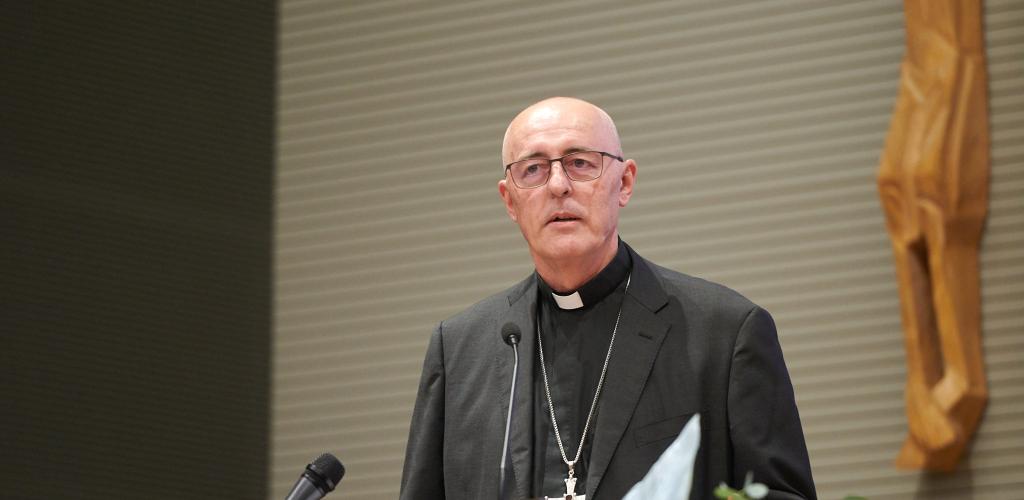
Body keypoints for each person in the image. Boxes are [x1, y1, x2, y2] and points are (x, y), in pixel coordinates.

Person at [400, 97, 816, 500]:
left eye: (580, 163)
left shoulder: (724, 333)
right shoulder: (459, 351)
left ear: (625, 183)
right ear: (510, 200)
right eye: (533, 169)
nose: (558, 185)